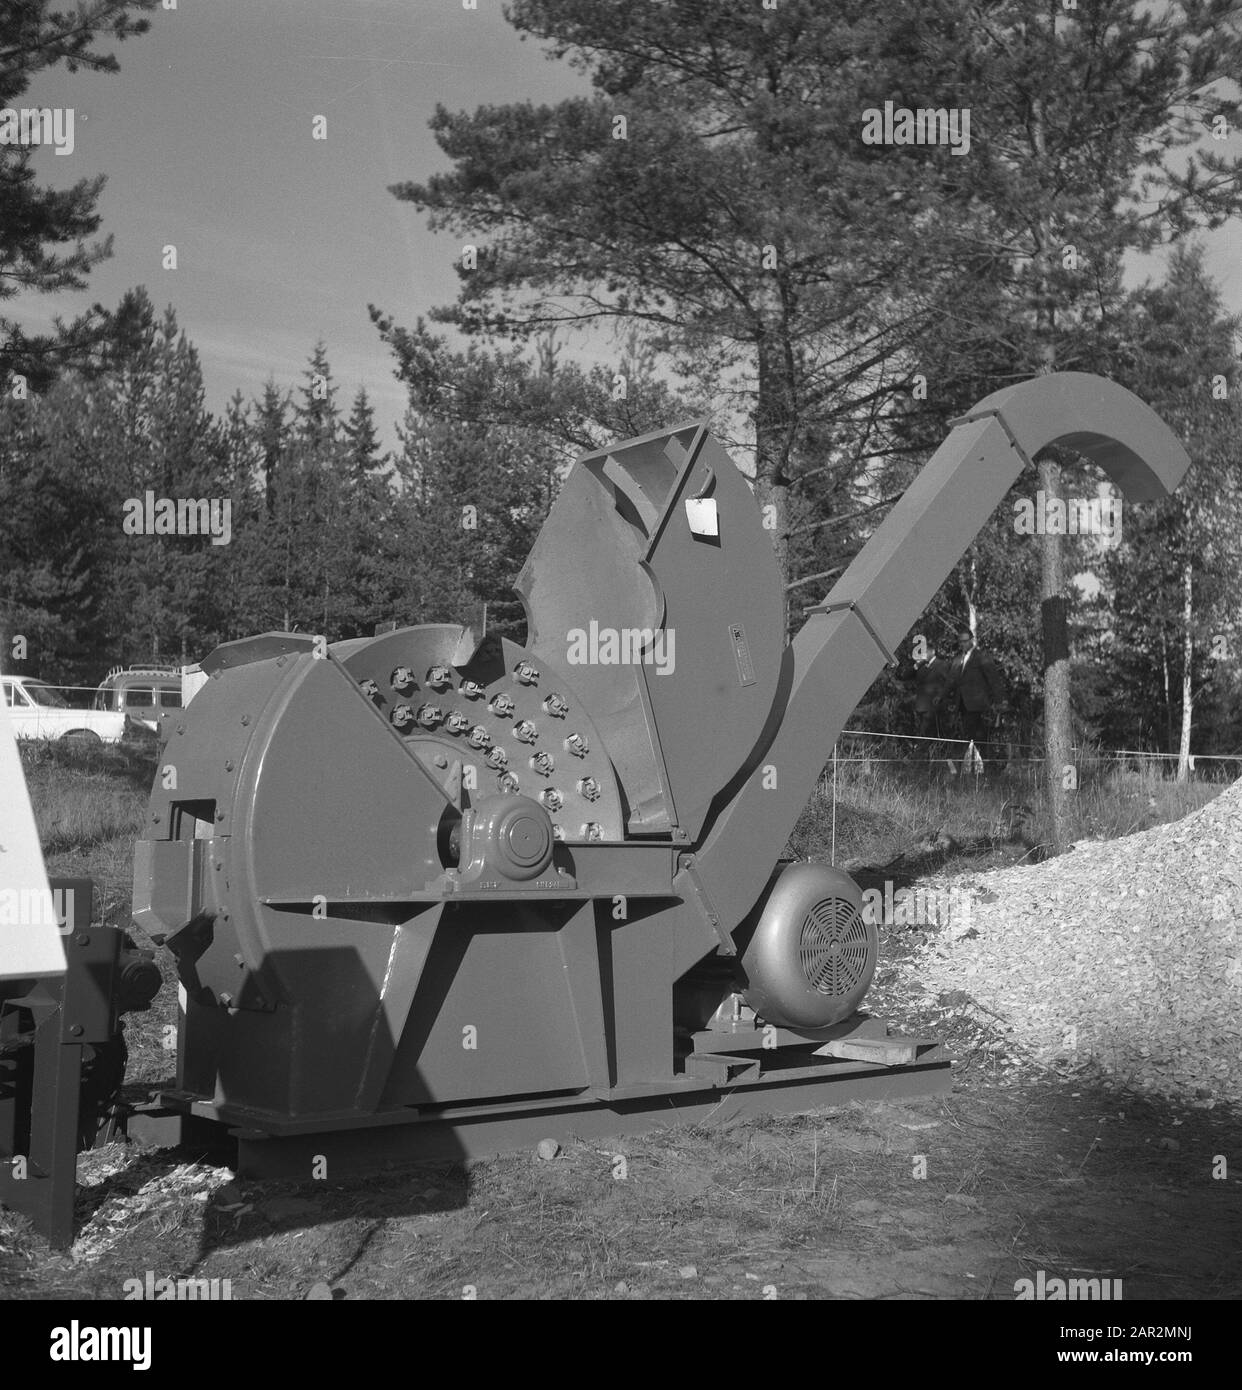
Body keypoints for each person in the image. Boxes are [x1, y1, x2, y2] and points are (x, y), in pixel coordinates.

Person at [945, 628, 1007, 771]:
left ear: (971, 640)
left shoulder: (982, 657)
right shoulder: (957, 660)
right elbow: (950, 682)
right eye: (960, 642)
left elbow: (994, 680)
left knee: (979, 740)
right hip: (960, 708)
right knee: (965, 739)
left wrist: (1000, 701)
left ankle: (990, 770)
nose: (962, 644)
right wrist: (941, 697)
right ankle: (958, 772)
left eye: (965, 641)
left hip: (978, 707)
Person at [909, 643, 952, 763]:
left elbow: (949, 683)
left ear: (932, 652)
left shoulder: (942, 665)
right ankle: (924, 762)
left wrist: (941, 697)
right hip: (921, 706)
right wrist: (916, 666)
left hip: (936, 707)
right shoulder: (921, 666)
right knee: (924, 734)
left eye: (924, 652)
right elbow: (905, 676)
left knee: (931, 734)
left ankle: (923, 760)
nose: (922, 655)